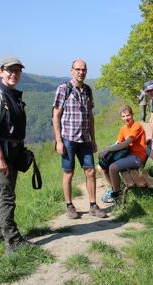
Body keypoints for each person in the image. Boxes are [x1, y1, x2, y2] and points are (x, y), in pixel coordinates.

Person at [0, 57, 35, 253]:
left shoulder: (12, 95)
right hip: (2, 155)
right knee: (6, 198)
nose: (14, 74)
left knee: (2, 196)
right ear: (1, 72)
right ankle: (13, 242)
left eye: (17, 71)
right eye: (10, 70)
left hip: (12, 153)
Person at [52, 59, 107, 219]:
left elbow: (90, 116)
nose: (81, 72)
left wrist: (94, 139)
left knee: (90, 172)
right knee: (68, 173)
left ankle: (93, 205)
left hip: (85, 139)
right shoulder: (63, 89)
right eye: (78, 69)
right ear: (71, 70)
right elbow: (56, 115)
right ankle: (69, 206)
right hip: (68, 138)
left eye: (83, 69)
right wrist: (59, 141)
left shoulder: (88, 90)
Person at [98, 105, 147, 203]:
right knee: (102, 166)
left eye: (128, 115)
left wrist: (108, 149)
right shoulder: (123, 128)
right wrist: (105, 152)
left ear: (132, 115)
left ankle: (116, 194)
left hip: (137, 157)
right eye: (123, 116)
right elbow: (118, 143)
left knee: (112, 167)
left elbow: (126, 143)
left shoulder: (136, 126)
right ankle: (114, 188)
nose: (126, 118)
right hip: (128, 155)